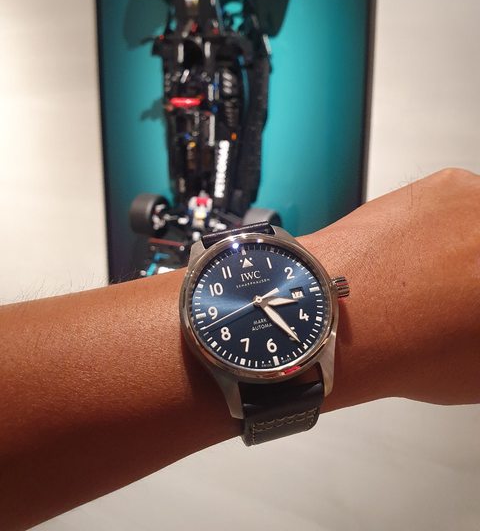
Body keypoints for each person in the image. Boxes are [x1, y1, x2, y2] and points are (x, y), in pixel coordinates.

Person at [0, 167, 479, 531]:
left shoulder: (309, 295)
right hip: (249, 360)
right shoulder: (213, 301)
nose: (260, 301)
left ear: (334, 288)